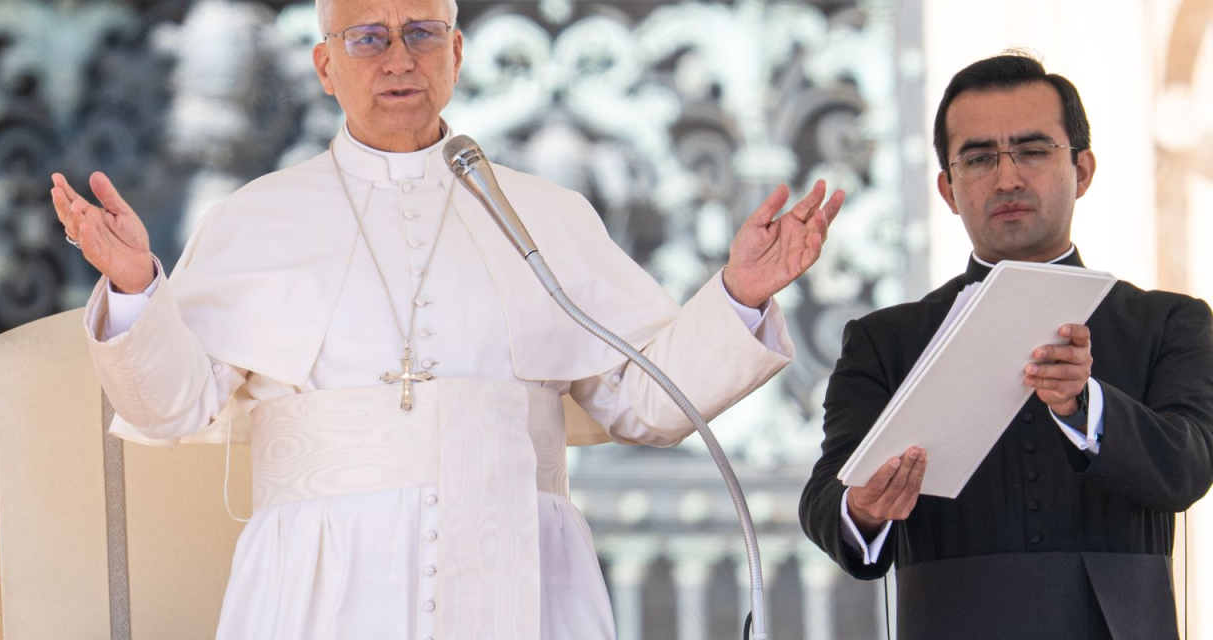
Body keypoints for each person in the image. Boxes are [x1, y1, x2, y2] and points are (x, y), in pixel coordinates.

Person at [49, 0, 845, 638]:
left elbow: (646, 404)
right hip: (319, 584)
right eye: (367, 38)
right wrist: (132, 290)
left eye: (422, 33)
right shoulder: (254, 218)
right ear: (325, 66)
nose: (399, 58)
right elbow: (172, 405)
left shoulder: (544, 214)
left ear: (457, 56)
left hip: (524, 576)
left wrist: (739, 293)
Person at [799, 53, 1213, 640]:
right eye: (978, 158)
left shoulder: (1166, 321)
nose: (1008, 177)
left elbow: (1190, 465)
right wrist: (863, 508)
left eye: (1033, 150)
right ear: (947, 188)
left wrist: (1085, 405)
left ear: (1084, 169)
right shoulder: (885, 340)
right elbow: (825, 495)